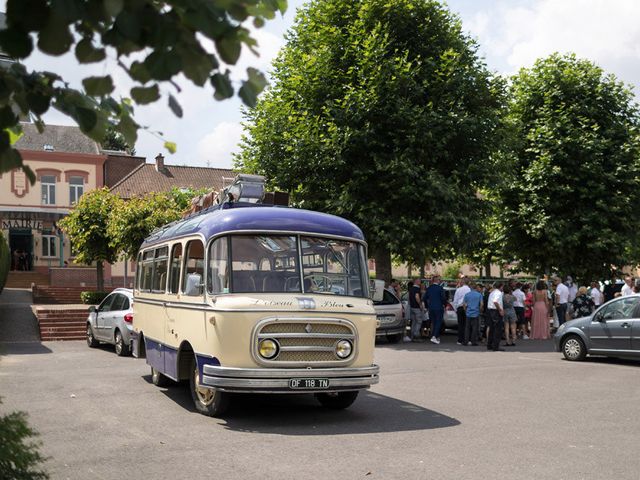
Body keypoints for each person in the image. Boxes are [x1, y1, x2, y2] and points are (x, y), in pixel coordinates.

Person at [424, 275, 446, 345]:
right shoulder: (440, 288)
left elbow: (424, 298)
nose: (440, 281)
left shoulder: (429, 288)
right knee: (438, 322)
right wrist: (444, 304)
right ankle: (434, 336)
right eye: (439, 280)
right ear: (437, 280)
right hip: (439, 307)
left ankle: (436, 336)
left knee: (433, 323)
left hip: (431, 308)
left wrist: (427, 306)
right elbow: (443, 298)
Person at [486, 282, 505, 351]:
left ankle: (489, 345)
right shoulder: (498, 293)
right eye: (502, 287)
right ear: (500, 287)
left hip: (490, 310)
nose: (503, 288)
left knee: (492, 329)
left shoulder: (492, 292)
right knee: (497, 329)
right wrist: (500, 310)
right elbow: (495, 301)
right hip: (495, 311)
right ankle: (496, 346)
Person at [463, 282, 483, 346]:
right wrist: (479, 310)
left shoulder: (467, 294)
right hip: (476, 313)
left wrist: (466, 310)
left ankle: (466, 341)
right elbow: (482, 304)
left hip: (468, 313)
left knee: (467, 328)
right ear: (476, 288)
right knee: (475, 328)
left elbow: (464, 304)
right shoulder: (479, 295)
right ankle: (473, 341)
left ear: (470, 287)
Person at [453, 276, 470, 345]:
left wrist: (456, 309)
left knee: (460, 324)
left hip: (460, 308)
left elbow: (455, 300)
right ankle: (467, 340)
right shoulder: (469, 290)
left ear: (462, 282)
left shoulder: (458, 290)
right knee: (467, 325)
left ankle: (460, 340)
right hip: (467, 308)